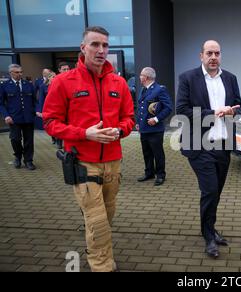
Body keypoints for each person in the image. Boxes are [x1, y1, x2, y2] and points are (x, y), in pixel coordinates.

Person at [43, 26, 135, 272]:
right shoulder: (63, 82)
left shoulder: (119, 83)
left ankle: (100, 250)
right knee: (97, 219)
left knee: (106, 214)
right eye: (95, 44)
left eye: (105, 45)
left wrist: (121, 131)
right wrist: (84, 133)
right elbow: (50, 123)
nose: (101, 50)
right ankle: (101, 266)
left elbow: (129, 117)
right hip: (83, 162)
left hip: (113, 161)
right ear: (83, 48)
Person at [176, 40, 241, 258]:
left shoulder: (230, 78)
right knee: (210, 190)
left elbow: (239, 105)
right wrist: (215, 112)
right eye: (209, 53)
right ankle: (208, 237)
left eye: (217, 53)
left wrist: (234, 111)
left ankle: (210, 227)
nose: (213, 57)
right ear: (201, 56)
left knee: (216, 192)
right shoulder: (188, 78)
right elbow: (182, 111)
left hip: (223, 145)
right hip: (200, 146)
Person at [136, 67, 173, 186]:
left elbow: (168, 108)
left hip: (155, 129)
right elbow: (141, 108)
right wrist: (138, 123)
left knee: (157, 153)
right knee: (146, 152)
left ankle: (160, 175)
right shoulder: (144, 90)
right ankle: (149, 173)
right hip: (144, 129)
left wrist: (156, 119)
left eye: (141, 75)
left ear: (146, 77)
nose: (139, 77)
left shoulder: (159, 90)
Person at [0, 64, 37, 170]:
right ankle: (17, 156)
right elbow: (1, 103)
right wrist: (6, 116)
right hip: (14, 118)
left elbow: (34, 101)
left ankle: (28, 160)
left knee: (29, 140)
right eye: (17, 72)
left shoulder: (28, 84)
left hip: (28, 117)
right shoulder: (5, 85)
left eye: (21, 72)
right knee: (15, 139)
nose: (20, 74)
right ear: (11, 73)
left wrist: (36, 111)